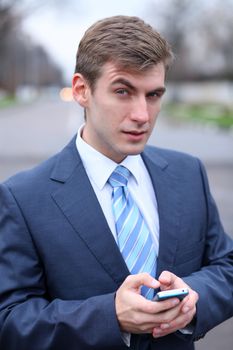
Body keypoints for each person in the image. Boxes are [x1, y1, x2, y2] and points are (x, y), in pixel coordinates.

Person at [0, 15, 232, 350]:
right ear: (82, 90)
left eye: (153, 95)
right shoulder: (22, 198)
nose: (142, 114)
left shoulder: (188, 173)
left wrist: (196, 298)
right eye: (123, 91)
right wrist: (110, 316)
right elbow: (10, 320)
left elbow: (227, 267)